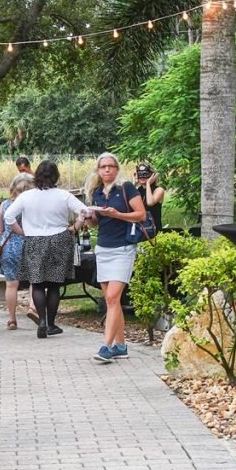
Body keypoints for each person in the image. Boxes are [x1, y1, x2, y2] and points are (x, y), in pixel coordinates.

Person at [4, 160, 87, 339]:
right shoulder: (63, 195)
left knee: (38, 283)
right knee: (55, 285)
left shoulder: (26, 196)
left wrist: (21, 231)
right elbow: (84, 211)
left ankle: (41, 320)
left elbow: (8, 215)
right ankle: (51, 323)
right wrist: (76, 226)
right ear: (56, 176)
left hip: (34, 240)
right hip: (59, 239)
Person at [85, 153, 148, 363]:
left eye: (111, 166)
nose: (107, 170)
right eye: (103, 167)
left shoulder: (126, 188)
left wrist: (118, 214)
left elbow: (141, 214)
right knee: (113, 301)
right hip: (103, 247)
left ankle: (107, 346)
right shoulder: (96, 193)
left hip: (123, 247)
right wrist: (88, 217)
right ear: (98, 170)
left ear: (117, 169)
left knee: (112, 298)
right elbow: (95, 222)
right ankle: (121, 345)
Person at [0, 173, 34, 329]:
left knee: (11, 285)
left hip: (9, 247)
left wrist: (2, 243)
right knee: (34, 281)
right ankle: (34, 308)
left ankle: (12, 319)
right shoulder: (32, 206)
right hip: (30, 245)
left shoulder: (5, 205)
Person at [135, 163, 166, 231]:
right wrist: (134, 184)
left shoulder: (159, 190)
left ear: (152, 175)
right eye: (140, 174)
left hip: (153, 230)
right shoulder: (137, 190)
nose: (142, 176)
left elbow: (150, 202)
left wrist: (148, 184)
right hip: (139, 229)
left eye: (145, 174)